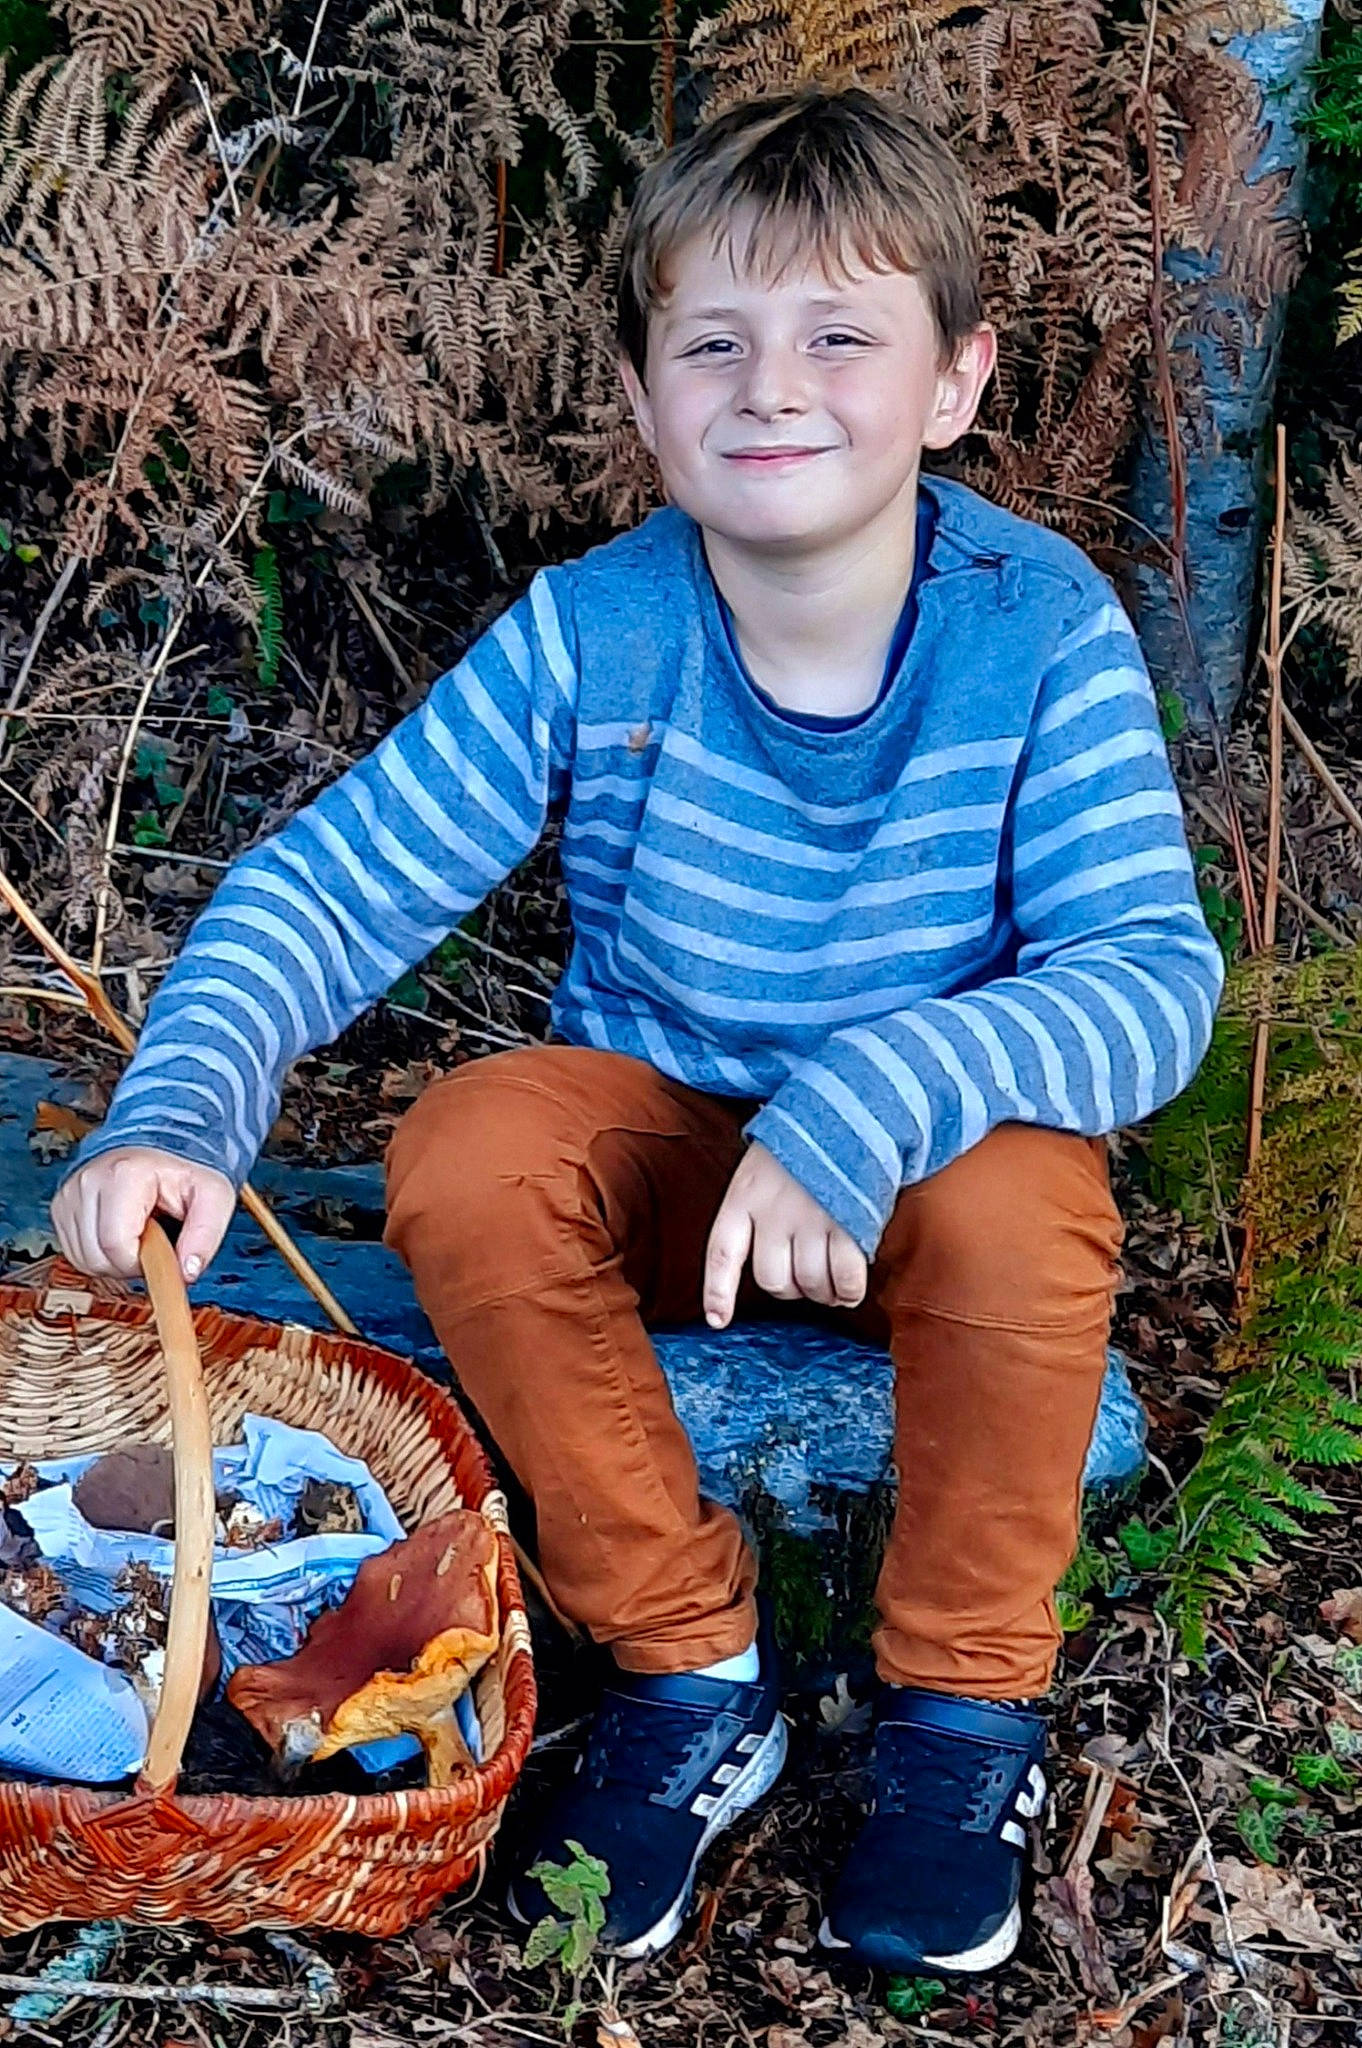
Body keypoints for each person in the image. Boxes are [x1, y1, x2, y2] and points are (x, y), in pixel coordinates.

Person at [52, 85, 1222, 1976]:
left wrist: (875, 1088)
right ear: (643, 390)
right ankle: (686, 1664)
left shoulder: (1036, 630)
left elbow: (1151, 978)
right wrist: (180, 1104)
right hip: (684, 1175)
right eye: (714, 341)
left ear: (952, 382)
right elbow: (326, 886)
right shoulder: (599, 628)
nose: (775, 386)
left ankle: (958, 1713)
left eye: (843, 335)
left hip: (923, 1191)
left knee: (1026, 1195)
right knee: (475, 1140)